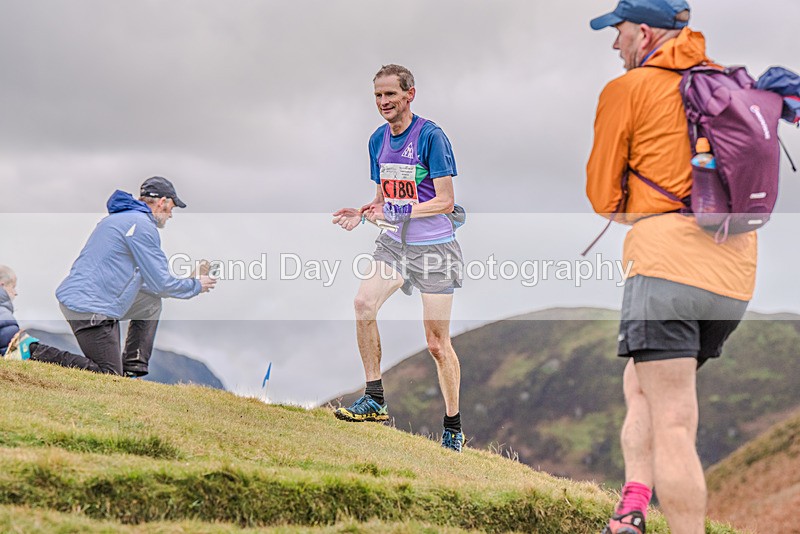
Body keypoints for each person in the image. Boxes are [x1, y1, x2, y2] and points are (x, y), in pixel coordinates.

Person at [586, 2, 757, 533]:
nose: (614, 45)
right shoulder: (727, 84)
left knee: (675, 422)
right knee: (640, 382)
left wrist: (647, 208)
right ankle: (633, 504)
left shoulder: (628, 89)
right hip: (734, 278)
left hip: (666, 270)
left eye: (618, 33)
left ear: (643, 32)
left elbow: (603, 197)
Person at [332, 64, 465, 452]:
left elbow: (446, 201)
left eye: (390, 94)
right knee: (363, 304)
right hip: (394, 244)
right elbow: (382, 199)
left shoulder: (431, 137)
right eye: (378, 95)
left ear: (410, 94)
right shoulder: (377, 140)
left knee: (436, 344)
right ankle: (374, 398)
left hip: (435, 247)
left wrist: (402, 211)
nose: (383, 102)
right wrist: (364, 212)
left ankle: (453, 426)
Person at [54, 176, 216, 376]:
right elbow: (162, 284)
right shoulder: (141, 226)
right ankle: (34, 352)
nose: (171, 215)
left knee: (150, 304)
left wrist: (187, 282)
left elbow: (152, 285)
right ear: (162, 202)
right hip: (90, 308)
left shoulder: (123, 219)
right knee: (109, 375)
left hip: (94, 300)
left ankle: (132, 369)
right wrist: (196, 285)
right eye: (171, 208)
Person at [0, 265, 98, 366]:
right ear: (2, 285)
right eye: (13, 287)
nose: (15, 293)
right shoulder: (3, 311)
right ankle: (94, 368)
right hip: (25, 351)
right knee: (61, 357)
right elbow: (11, 347)